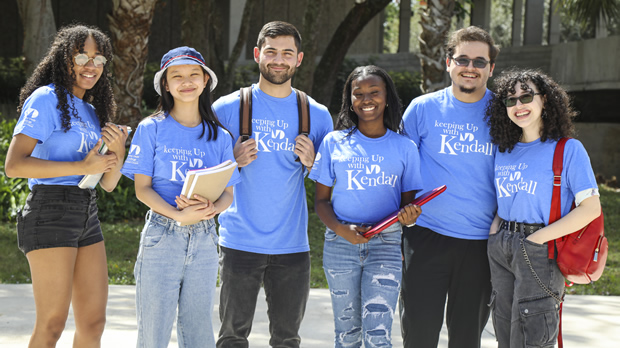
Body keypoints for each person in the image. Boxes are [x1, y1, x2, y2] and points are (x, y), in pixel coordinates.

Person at [4, 24, 127, 347]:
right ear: (64, 59)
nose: (91, 66)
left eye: (99, 60)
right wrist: (82, 166)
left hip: (85, 210)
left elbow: (109, 184)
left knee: (93, 322)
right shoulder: (45, 99)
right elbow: (14, 166)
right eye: (82, 57)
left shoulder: (91, 110)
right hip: (49, 208)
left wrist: (117, 151)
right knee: (52, 324)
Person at [212, 21, 333, 347]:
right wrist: (231, 161)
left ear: (299, 59)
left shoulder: (318, 115)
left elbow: (332, 184)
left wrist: (313, 163)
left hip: (292, 246)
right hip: (239, 242)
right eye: (271, 52)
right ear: (257, 55)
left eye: (287, 53)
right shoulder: (225, 109)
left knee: (287, 339)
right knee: (232, 337)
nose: (278, 60)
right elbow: (202, 173)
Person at [121, 46, 240, 348]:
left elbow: (228, 194)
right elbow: (142, 189)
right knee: (154, 331)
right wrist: (178, 215)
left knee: (199, 331)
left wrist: (210, 209)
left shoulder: (220, 136)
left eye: (193, 75)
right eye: (177, 76)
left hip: (204, 240)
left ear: (204, 82)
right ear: (165, 84)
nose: (186, 82)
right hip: (162, 235)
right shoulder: (152, 129)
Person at [485, 68, 601, 348]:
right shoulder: (504, 150)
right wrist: (495, 231)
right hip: (501, 247)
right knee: (504, 333)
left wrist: (536, 239)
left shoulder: (568, 149)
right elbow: (508, 198)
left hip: (539, 248)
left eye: (526, 97)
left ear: (545, 100)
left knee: (533, 337)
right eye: (510, 100)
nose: (518, 106)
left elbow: (591, 208)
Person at [400, 26, 500, 348]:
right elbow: (400, 166)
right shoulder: (422, 108)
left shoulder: (504, 114)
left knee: (467, 339)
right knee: (418, 334)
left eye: (480, 61)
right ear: (448, 63)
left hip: (480, 244)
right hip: (425, 235)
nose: (470, 67)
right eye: (463, 59)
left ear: (491, 68)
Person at [310, 65, 423, 347]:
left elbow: (407, 210)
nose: (366, 99)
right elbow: (321, 201)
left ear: (387, 97)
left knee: (378, 334)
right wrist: (340, 229)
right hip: (340, 244)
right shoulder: (334, 142)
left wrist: (410, 217)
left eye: (374, 92)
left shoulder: (405, 148)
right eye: (358, 93)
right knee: (346, 333)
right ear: (350, 99)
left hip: (385, 244)